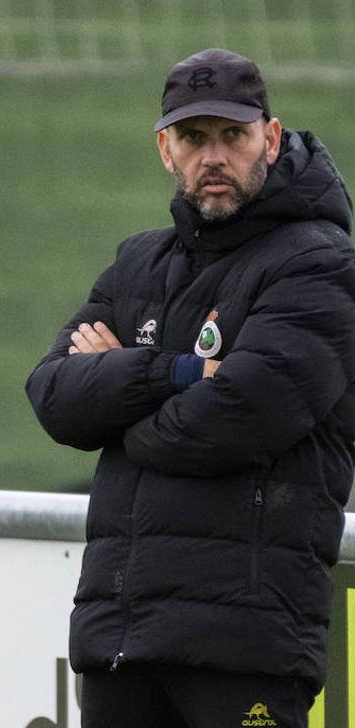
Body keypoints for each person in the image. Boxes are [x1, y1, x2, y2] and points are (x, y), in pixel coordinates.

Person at [26, 48, 355, 728]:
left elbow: (237, 414)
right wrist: (174, 373)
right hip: (123, 642)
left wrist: (121, 415)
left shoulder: (321, 261)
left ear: (269, 137)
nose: (213, 156)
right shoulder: (138, 261)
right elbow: (53, 393)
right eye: (193, 138)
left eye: (232, 136)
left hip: (244, 648)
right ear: (164, 149)